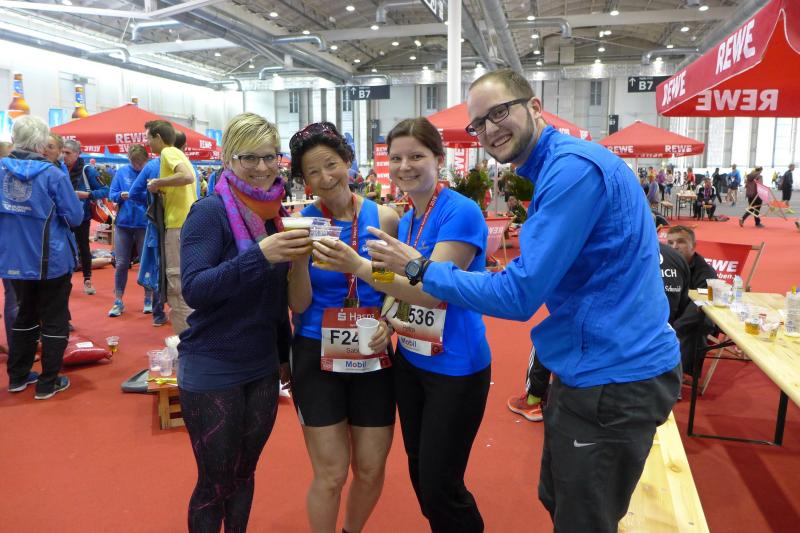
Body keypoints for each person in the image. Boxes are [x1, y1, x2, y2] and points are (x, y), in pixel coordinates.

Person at [367, 69, 680, 532]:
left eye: (499, 112)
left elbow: (509, 293)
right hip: (579, 364)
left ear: (534, 107)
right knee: (555, 499)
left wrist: (392, 268)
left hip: (604, 371)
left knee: (571, 515)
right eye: (479, 123)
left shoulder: (562, 174)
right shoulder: (408, 215)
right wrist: (390, 293)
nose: (490, 129)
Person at [319, 117, 491, 532]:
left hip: (456, 366)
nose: (404, 166)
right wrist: (387, 319)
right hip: (412, 362)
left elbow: (432, 291)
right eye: (395, 158)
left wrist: (358, 266)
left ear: (439, 158)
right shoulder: (409, 217)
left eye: (416, 156)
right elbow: (400, 285)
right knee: (420, 473)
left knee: (440, 484)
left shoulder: (460, 212)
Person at [175, 113, 309, 532]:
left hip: (262, 366)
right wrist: (259, 256)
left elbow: (274, 296)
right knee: (214, 483)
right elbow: (195, 288)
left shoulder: (273, 213)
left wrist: (283, 353)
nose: (262, 167)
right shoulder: (210, 212)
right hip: (213, 364)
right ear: (228, 159)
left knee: (244, 474)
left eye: (270, 156)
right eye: (250, 157)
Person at [286, 122, 397, 533]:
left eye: (331, 164)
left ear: (348, 161)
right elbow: (298, 304)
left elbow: (393, 283)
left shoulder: (384, 217)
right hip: (315, 351)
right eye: (312, 171)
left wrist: (388, 319)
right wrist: (299, 261)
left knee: (369, 468)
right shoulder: (300, 222)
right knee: (331, 474)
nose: (325, 177)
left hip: (373, 348)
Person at [1, 115, 83, 399]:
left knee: (24, 313)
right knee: (54, 318)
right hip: (50, 258)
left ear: (15, 139)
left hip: (13, 259)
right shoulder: (53, 175)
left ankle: (18, 377)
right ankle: (48, 382)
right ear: (41, 143)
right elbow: (75, 216)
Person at [145, 120, 197, 334]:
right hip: (186, 223)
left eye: (149, 138)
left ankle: (186, 342)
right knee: (185, 281)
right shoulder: (180, 154)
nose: (147, 143)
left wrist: (158, 183)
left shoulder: (168, 152)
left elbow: (187, 177)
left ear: (158, 137)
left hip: (177, 225)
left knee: (176, 285)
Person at [665, 226, 717, 378]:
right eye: (670, 243)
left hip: (694, 316)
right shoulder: (663, 266)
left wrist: (673, 329)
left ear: (693, 246)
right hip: (670, 313)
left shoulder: (706, 272)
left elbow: (701, 304)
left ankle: (679, 374)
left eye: (680, 242)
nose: (674, 247)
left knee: (695, 325)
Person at [107, 145, 152, 317]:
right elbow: (112, 194)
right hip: (123, 223)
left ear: (146, 160)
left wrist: (136, 195)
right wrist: (120, 196)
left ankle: (148, 298)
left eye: (140, 162)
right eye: (134, 162)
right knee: (121, 263)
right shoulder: (122, 172)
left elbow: (154, 197)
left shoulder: (150, 172)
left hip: (144, 223)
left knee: (145, 262)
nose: (137, 166)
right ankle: (118, 300)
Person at [62, 139, 108, 295]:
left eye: (67, 153)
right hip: (63, 217)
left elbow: (106, 190)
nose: (64, 155)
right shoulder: (59, 168)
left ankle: (87, 280)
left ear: (77, 154)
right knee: (63, 248)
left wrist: (87, 195)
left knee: (83, 247)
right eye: (62, 152)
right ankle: (64, 281)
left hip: (82, 216)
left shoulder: (88, 170)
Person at [128, 154, 168, 327]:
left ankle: (158, 313)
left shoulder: (152, 166)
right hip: (179, 224)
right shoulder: (188, 166)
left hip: (157, 224)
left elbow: (133, 193)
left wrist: (150, 203)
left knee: (157, 265)